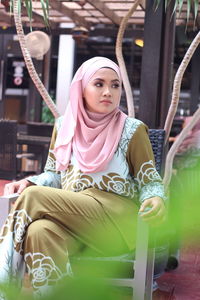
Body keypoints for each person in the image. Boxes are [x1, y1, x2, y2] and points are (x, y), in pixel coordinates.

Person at [0, 57, 165, 297]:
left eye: (115, 85)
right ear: (82, 88)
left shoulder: (133, 129)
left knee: (33, 197)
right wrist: (31, 181)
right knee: (40, 230)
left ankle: (4, 288)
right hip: (72, 220)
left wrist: (157, 198)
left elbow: (150, 180)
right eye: (98, 84)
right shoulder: (64, 125)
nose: (108, 92)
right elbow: (54, 175)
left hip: (115, 224)